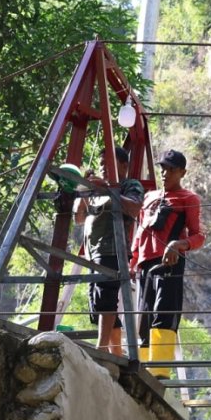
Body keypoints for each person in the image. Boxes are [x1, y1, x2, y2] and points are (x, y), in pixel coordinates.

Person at [130, 149, 205, 378]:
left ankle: (159, 371)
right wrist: (133, 260)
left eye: (171, 169)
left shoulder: (188, 199)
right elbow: (140, 233)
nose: (165, 173)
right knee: (143, 316)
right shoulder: (149, 197)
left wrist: (179, 244)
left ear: (183, 172)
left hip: (169, 263)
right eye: (163, 168)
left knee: (164, 312)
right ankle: (142, 370)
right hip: (145, 264)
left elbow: (199, 235)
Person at [73, 147, 143, 355]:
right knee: (96, 302)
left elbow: (135, 208)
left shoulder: (129, 185)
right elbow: (78, 218)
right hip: (93, 251)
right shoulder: (96, 190)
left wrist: (109, 189)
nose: (103, 167)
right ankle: (116, 353)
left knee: (106, 297)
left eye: (109, 163)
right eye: (102, 163)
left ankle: (102, 348)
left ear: (123, 166)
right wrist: (84, 189)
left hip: (112, 249)